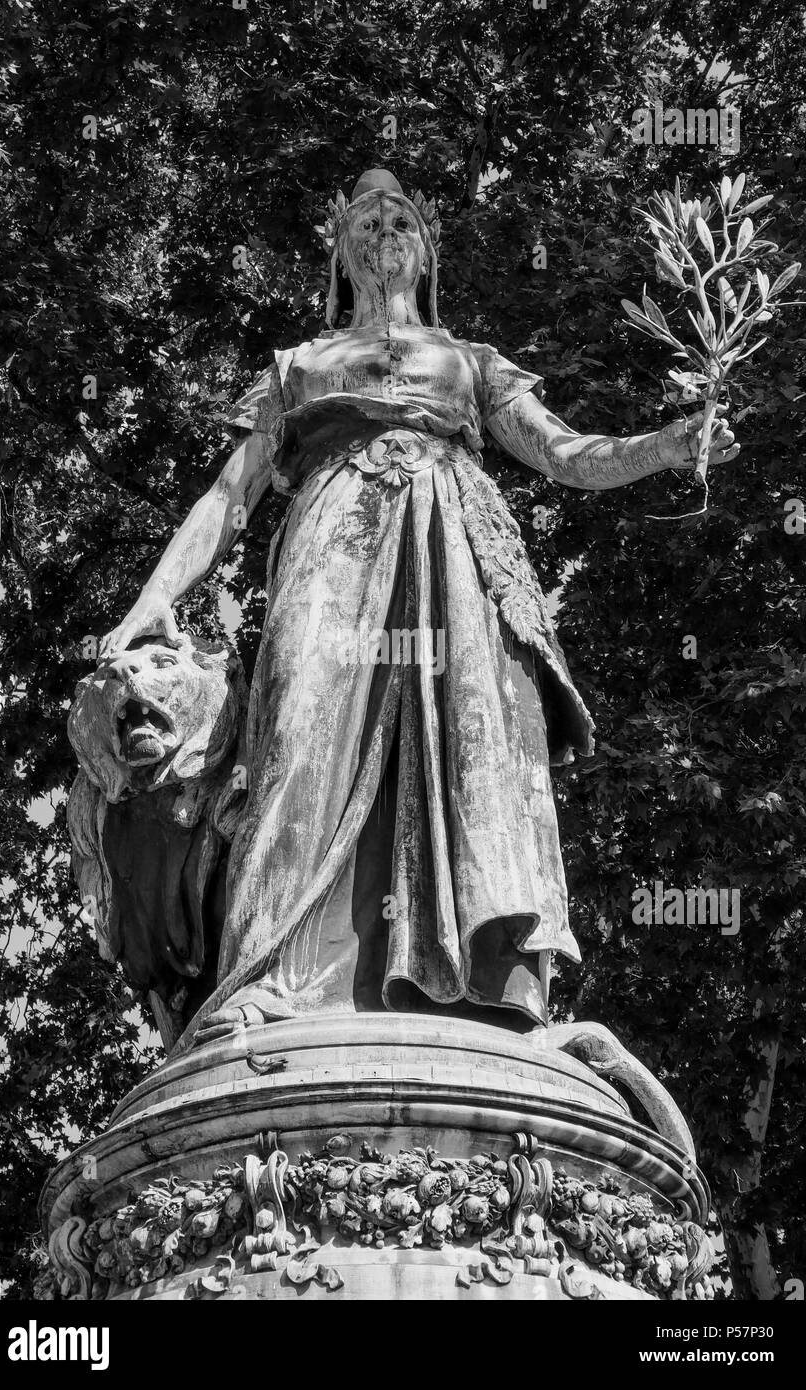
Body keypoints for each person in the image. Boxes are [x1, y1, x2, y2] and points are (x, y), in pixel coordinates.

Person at [99, 169, 738, 1048]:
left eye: (402, 218)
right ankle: (261, 980)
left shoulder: (468, 362)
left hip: (454, 543)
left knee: (471, 744)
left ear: (428, 248)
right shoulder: (299, 367)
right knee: (297, 735)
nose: (385, 229)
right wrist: (152, 600)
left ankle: (478, 984)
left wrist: (668, 444)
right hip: (331, 532)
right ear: (341, 248)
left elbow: (566, 455)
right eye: (366, 218)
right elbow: (227, 497)